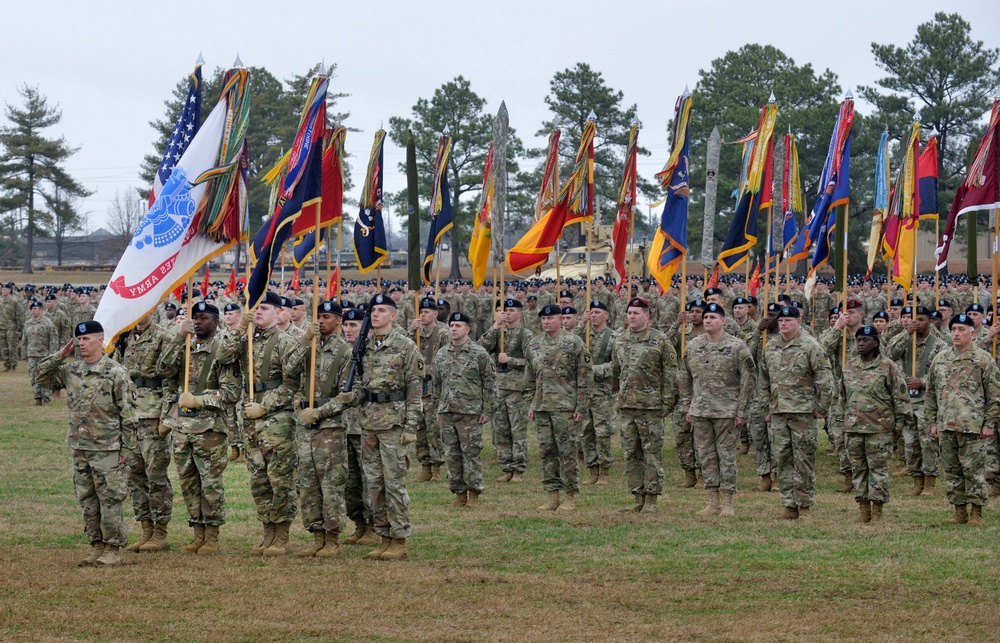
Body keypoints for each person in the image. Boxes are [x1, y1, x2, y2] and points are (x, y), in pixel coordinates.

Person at [36, 321, 140, 566]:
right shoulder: (72, 370)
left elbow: (130, 413)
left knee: (110, 498)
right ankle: (97, 546)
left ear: (100, 340)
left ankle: (112, 549)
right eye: (79, 340)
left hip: (107, 447)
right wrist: (59, 356)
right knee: (87, 499)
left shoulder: (115, 372)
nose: (81, 343)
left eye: (86, 339)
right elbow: (40, 377)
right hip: (81, 446)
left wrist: (127, 448)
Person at [334, 293, 422, 561]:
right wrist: (352, 397)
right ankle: (383, 536)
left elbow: (415, 391)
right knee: (375, 484)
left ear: (393, 316)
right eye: (373, 310)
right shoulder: (365, 346)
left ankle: (399, 539)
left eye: (382, 310)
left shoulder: (406, 347)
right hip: (369, 423)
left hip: (394, 424)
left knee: (394, 483)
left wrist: (411, 427)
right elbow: (362, 386)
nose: (375, 314)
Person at [218, 291, 303, 555]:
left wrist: (264, 407)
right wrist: (241, 327)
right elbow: (223, 357)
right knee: (258, 478)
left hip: (276, 418)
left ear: (278, 312)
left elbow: (293, 384)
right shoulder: (246, 340)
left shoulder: (286, 341)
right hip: (250, 417)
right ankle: (267, 530)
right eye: (255, 308)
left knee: (280, 477)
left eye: (264, 308)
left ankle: (282, 536)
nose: (258, 312)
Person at [158, 302, 241, 554]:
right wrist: (178, 336)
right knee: (188, 482)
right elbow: (164, 369)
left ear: (216, 323)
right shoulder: (185, 346)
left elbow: (230, 393)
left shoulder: (223, 350)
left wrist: (199, 399)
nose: (198, 321)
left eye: (204, 318)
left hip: (210, 428)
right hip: (183, 427)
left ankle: (212, 535)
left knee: (210, 483)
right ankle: (198, 531)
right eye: (195, 317)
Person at [677, 303, 755, 517]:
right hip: (701, 410)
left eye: (713, 317)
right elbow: (684, 377)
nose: (708, 320)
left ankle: (728, 501)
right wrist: (687, 405)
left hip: (726, 412)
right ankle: (712, 501)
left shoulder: (737, 346)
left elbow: (748, 380)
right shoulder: (693, 346)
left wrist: (742, 411)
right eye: (707, 317)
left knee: (726, 457)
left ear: (723, 321)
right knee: (706, 457)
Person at [758, 306, 834, 520]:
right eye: (781, 321)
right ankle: (789, 504)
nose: (783, 324)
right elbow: (764, 379)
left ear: (798, 322)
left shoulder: (810, 345)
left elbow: (824, 377)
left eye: (788, 320)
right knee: (782, 458)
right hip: (779, 411)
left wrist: (822, 407)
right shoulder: (770, 347)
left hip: (803, 411)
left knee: (803, 459)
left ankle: (805, 505)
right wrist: (766, 407)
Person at [925, 313, 1000, 526]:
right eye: (954, 329)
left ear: (972, 333)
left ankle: (976, 513)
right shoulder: (940, 359)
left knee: (974, 471)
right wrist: (932, 422)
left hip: (973, 427)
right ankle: (959, 511)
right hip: (946, 425)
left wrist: (989, 423)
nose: (956, 333)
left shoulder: (983, 359)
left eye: (962, 330)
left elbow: (994, 394)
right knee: (952, 471)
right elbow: (931, 393)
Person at [113, 312, 175, 552]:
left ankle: (161, 532)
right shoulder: (124, 337)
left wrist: (167, 416)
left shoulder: (163, 337)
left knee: (155, 474)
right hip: (129, 414)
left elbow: (171, 379)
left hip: (152, 414)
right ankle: (145, 529)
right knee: (134, 473)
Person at [296, 300, 352, 557]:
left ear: (338, 320)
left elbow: (349, 394)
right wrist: (305, 340)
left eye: (326, 316)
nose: (320, 321)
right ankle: (316, 535)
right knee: (307, 484)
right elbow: (288, 367)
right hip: (304, 425)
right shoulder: (308, 346)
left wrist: (320, 411)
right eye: (317, 316)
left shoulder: (345, 352)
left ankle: (332, 538)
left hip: (329, 426)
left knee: (331, 483)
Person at [610, 297, 678, 513]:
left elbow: (670, 374)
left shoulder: (660, 340)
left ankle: (652, 499)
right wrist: (616, 397)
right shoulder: (620, 340)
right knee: (631, 453)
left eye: (636, 313)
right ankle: (637, 495)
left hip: (651, 407)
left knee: (651, 453)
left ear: (647, 317)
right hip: (627, 406)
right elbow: (616, 370)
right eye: (629, 313)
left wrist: (668, 402)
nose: (632, 317)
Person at [842, 326, 914, 523]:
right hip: (854, 428)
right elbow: (841, 398)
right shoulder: (849, 367)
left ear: (876, 342)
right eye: (858, 340)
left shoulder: (888, 366)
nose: (861, 344)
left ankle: (878, 511)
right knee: (858, 469)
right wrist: (840, 422)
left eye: (866, 340)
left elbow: (900, 397)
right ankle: (863, 510)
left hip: (879, 429)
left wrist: (899, 424)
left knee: (878, 470)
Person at [524, 304, 593, 511]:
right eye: (543, 319)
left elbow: (585, 377)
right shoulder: (534, 344)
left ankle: (569, 496)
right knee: (547, 452)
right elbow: (529, 378)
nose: (546, 322)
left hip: (566, 408)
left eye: (551, 318)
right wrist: (531, 402)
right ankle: (552, 495)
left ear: (560, 319)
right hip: (543, 408)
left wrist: (581, 408)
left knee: (567, 452)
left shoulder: (573, 343)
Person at [432, 312, 497, 508]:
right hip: (447, 411)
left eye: (458, 325)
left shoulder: (479, 353)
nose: (453, 329)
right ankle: (459, 493)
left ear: (467, 329)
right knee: (452, 455)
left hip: (470, 413)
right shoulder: (442, 353)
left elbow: (490, 384)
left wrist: (487, 411)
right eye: (451, 325)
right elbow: (436, 384)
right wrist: (437, 409)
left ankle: (474, 494)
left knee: (470, 454)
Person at [885, 306, 947, 496]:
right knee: (910, 442)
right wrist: (906, 333)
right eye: (914, 319)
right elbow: (889, 354)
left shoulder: (939, 345)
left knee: (927, 442)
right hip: (907, 401)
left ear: (929, 321)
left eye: (921, 319)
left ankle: (930, 482)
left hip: (927, 401)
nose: (917, 323)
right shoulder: (906, 340)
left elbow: (944, 374)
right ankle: (916, 480)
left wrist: (923, 382)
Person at [479, 298, 534, 483]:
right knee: (501, 430)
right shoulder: (498, 332)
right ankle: (506, 466)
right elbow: (480, 348)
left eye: (511, 310)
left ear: (520, 313)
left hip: (517, 389)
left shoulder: (525, 334)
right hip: (499, 388)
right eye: (505, 310)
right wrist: (495, 325)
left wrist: (509, 360)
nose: (507, 313)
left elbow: (532, 361)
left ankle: (519, 468)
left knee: (517, 430)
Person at [578, 300, 617, 485]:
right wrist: (580, 324)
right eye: (591, 312)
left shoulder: (612, 337)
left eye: (597, 312)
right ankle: (592, 469)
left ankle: (604, 471)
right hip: (584, 391)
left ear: (606, 315)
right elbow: (569, 345)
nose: (593, 315)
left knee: (602, 431)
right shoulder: (583, 334)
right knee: (586, 431)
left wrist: (594, 370)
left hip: (602, 391)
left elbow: (617, 365)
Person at [411, 297, 448, 482]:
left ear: (435, 314)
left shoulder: (442, 333)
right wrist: (412, 333)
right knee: (420, 429)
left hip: (434, 388)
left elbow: (448, 360)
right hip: (417, 389)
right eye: (420, 312)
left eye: (426, 312)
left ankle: (437, 468)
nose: (422, 315)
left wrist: (426, 369)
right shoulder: (416, 333)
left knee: (434, 430)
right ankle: (424, 465)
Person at [22, 300, 59, 405]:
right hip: (32, 355)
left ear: (41, 310)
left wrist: (52, 355)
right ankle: (37, 398)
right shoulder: (28, 323)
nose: (33, 311)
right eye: (32, 309)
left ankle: (47, 398)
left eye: (35, 309)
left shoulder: (47, 323)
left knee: (45, 376)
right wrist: (24, 354)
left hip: (44, 355)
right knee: (33, 377)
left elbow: (53, 340)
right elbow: (24, 340)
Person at [0, 282, 25, 371]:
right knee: (3, 347)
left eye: (4, 289)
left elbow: (19, 315)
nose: (2, 291)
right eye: (2, 289)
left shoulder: (14, 301)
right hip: (1, 327)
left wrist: (19, 328)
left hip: (12, 327)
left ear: (9, 290)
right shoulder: (0, 301)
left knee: (12, 347)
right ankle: (7, 365)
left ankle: (13, 365)